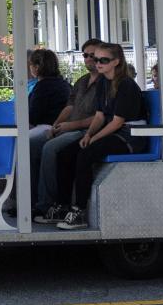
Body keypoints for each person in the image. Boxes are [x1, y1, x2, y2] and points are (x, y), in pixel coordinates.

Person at [50, 42, 146, 230]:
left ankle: (79, 212)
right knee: (65, 153)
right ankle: (62, 205)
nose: (98, 63)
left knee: (85, 154)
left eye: (104, 60)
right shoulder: (103, 82)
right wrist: (89, 134)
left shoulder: (126, 85)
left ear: (116, 62)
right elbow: (100, 115)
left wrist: (94, 138)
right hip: (112, 130)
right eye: (96, 59)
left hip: (129, 136)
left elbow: (117, 122)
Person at [31, 39, 103, 223]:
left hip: (88, 131)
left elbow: (100, 116)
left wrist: (70, 126)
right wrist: (55, 126)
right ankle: (28, 199)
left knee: (50, 148)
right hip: (70, 128)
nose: (88, 59)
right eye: (85, 55)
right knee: (32, 144)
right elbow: (69, 107)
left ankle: (47, 205)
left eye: (92, 55)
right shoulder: (82, 81)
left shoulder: (105, 83)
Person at [23, 48, 71, 215]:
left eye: (31, 65)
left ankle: (25, 199)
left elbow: (33, 115)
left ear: (36, 67)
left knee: (23, 146)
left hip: (47, 127)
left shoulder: (42, 87)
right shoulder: (62, 83)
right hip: (55, 127)